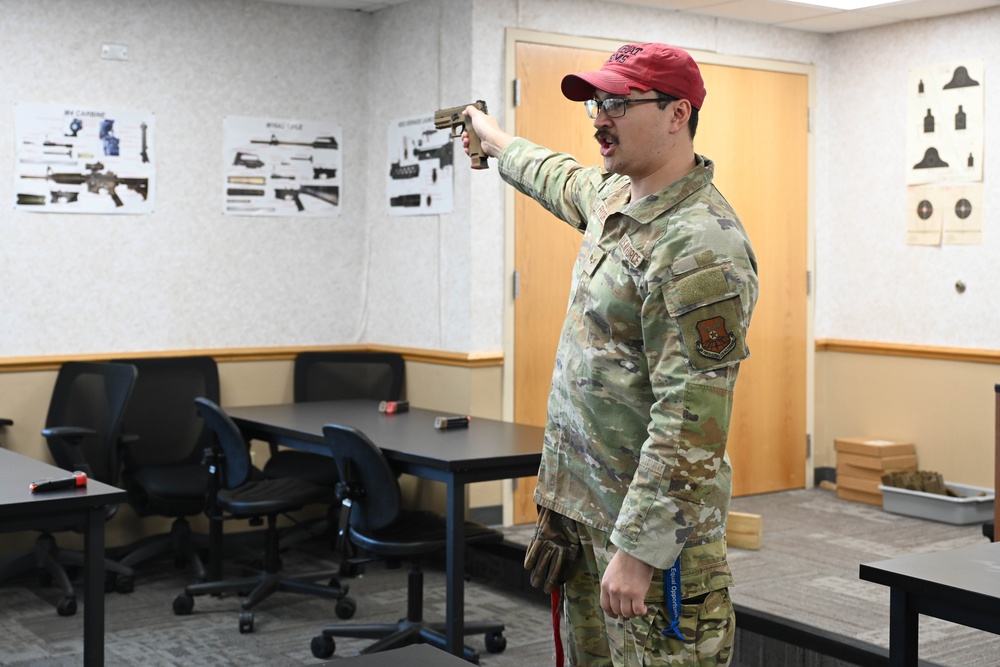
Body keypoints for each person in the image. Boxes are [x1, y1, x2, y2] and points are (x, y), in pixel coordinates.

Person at [464, 42, 758, 666]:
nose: (600, 117)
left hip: (649, 538)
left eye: (620, 103)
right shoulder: (614, 199)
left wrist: (639, 549)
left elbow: (690, 424)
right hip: (583, 513)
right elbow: (554, 175)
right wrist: (492, 138)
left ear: (678, 114)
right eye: (598, 102)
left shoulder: (701, 245)